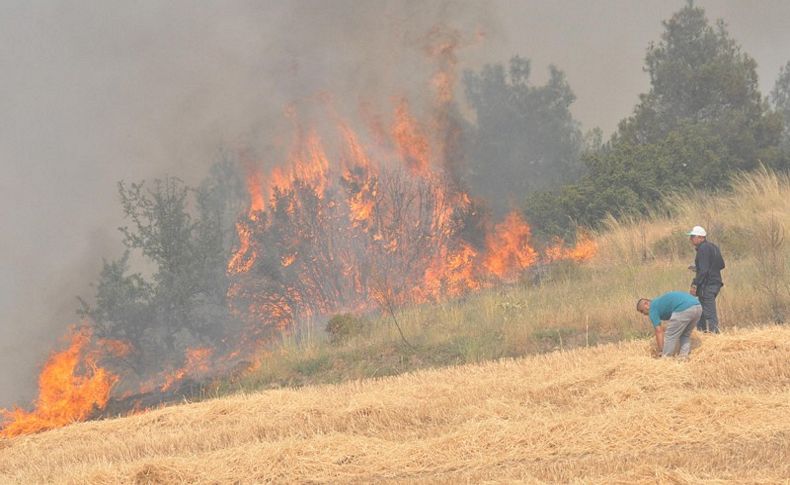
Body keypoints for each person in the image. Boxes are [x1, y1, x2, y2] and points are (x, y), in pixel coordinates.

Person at [636, 292, 702, 358]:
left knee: (669, 335)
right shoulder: (658, 302)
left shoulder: (652, 308)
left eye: (642, 311)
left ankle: (666, 359)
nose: (643, 314)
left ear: (646, 304)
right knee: (685, 334)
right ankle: (683, 357)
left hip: (683, 308)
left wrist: (661, 350)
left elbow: (659, 331)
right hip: (697, 306)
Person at [687, 225, 725, 333]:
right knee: (701, 311)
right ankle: (702, 334)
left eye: (693, 236)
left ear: (700, 237)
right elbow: (721, 265)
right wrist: (698, 268)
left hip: (707, 285)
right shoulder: (713, 247)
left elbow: (704, 270)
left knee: (708, 313)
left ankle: (715, 335)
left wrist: (694, 284)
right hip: (716, 283)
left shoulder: (702, 249)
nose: (691, 239)